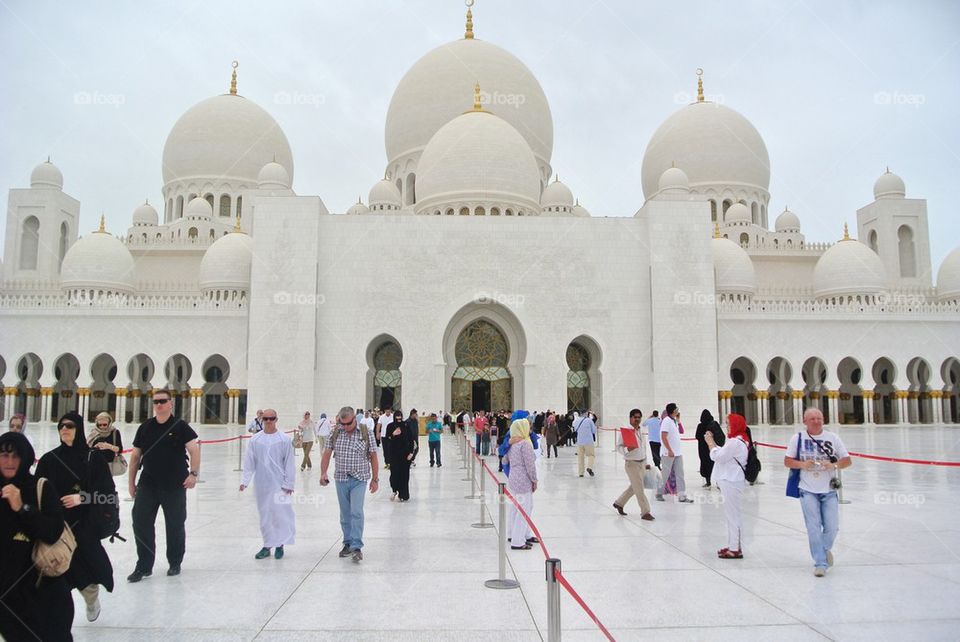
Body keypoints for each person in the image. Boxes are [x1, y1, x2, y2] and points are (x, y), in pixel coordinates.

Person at [36, 411, 116, 622]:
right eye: (61, 426)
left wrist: (82, 498)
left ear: (78, 429)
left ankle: (91, 599)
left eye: (70, 426)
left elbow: (108, 494)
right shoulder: (49, 459)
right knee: (56, 571)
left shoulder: (93, 458)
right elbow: (37, 489)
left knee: (84, 570)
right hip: (57, 524)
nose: (64, 429)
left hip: (84, 525)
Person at [0, 431, 75, 641]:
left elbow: (52, 532)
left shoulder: (39, 488)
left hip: (42, 590)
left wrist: (21, 508)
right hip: (7, 598)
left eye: (16, 456)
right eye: (4, 455)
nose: (9, 461)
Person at [127, 388, 200, 582]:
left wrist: (193, 473)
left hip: (174, 485)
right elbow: (135, 456)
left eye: (162, 401)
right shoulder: (145, 427)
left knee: (175, 524)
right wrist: (131, 483)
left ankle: (175, 562)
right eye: (156, 402)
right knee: (140, 522)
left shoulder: (180, 426)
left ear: (170, 403)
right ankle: (144, 565)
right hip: (148, 483)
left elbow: (194, 449)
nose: (159, 405)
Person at [784, 408, 852, 577]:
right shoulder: (797, 438)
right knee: (813, 527)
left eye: (819, 418)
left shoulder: (832, 438)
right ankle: (820, 562)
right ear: (805, 421)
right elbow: (787, 461)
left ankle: (824, 549)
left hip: (828, 490)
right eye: (812, 418)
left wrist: (834, 465)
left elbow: (847, 460)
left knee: (832, 527)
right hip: (807, 489)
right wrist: (802, 465)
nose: (816, 421)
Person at [320, 407, 379, 562]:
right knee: (345, 514)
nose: (345, 427)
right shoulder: (336, 432)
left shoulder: (366, 432)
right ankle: (347, 543)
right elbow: (327, 453)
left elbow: (373, 456)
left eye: (348, 424)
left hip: (359, 479)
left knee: (356, 511)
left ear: (355, 419)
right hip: (341, 479)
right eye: (342, 423)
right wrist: (323, 473)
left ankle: (356, 546)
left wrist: (375, 479)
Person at [240, 409, 296, 559]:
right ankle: (267, 545)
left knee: (280, 514)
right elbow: (249, 462)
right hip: (262, 484)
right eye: (266, 419)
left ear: (276, 419)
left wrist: (289, 484)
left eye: (272, 419)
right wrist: (244, 481)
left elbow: (289, 463)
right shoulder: (255, 440)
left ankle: (280, 545)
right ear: (262, 419)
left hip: (280, 485)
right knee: (265, 516)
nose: (269, 421)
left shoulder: (284, 439)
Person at [706, 413, 749, 559]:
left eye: (729, 424)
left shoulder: (735, 442)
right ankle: (733, 545)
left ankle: (735, 548)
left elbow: (718, 457)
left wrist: (710, 443)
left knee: (732, 516)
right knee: (732, 515)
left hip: (731, 481)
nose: (727, 427)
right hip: (733, 480)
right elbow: (725, 455)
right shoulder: (739, 440)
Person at [612, 409, 655, 520]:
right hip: (632, 464)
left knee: (634, 487)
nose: (637, 419)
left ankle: (619, 503)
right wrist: (627, 449)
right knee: (639, 488)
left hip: (642, 462)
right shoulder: (626, 431)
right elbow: (618, 447)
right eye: (635, 417)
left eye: (639, 417)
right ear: (630, 418)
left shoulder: (640, 430)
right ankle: (645, 512)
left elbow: (644, 447)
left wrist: (646, 462)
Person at [504, 417, 539, 550]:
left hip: (513, 478)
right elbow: (530, 465)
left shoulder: (512, 443)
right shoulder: (524, 444)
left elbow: (504, 461)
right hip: (523, 480)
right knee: (525, 509)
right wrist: (534, 480)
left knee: (515, 508)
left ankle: (515, 534)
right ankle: (518, 541)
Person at [657, 403, 693, 503]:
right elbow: (663, 437)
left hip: (677, 453)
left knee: (680, 474)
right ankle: (659, 493)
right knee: (665, 474)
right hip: (668, 453)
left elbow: (680, 432)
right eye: (676, 409)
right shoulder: (666, 421)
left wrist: (678, 420)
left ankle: (682, 496)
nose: (678, 410)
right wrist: (669, 450)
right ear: (673, 410)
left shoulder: (674, 421)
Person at [384, 410, 415, 500]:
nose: (399, 419)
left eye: (400, 417)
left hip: (405, 455)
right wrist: (393, 434)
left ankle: (403, 494)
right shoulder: (390, 426)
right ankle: (394, 490)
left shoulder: (406, 426)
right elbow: (387, 440)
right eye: (397, 418)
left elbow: (411, 440)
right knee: (394, 474)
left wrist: (411, 453)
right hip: (394, 455)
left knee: (404, 475)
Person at [695, 409, 725, 487]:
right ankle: (719, 483)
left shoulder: (700, 426)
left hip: (703, 449)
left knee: (705, 465)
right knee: (716, 465)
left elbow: (697, 436)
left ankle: (708, 482)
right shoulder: (714, 424)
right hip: (713, 448)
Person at [574, 411, 597, 477]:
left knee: (580, 457)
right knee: (591, 455)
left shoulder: (577, 421)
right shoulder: (589, 420)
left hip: (580, 441)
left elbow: (575, 429)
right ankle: (589, 467)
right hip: (588, 441)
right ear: (586, 414)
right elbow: (594, 431)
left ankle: (581, 473)